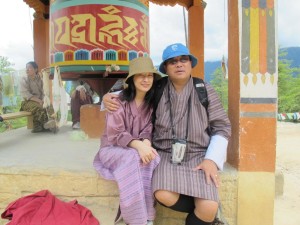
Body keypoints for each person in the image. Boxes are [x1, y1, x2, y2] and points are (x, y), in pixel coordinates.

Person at [103, 43, 231, 225]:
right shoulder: (158, 88)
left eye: (183, 60)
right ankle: (203, 209)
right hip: (165, 154)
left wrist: (211, 159)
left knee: (208, 208)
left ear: (190, 63)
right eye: (172, 62)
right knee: (163, 194)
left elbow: (222, 127)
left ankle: (208, 210)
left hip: (199, 155)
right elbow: (133, 93)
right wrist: (106, 98)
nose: (179, 64)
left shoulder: (204, 89)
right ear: (166, 68)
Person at [93, 57, 161, 225]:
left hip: (135, 149)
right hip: (112, 149)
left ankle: (148, 215)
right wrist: (138, 145)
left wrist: (145, 143)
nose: (146, 80)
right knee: (132, 158)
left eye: (149, 76)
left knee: (152, 157)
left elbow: (147, 129)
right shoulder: (117, 101)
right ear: (132, 79)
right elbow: (115, 133)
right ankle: (135, 218)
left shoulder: (150, 104)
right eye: (140, 76)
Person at [20, 61, 57, 133]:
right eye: (26, 68)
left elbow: (44, 92)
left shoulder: (40, 79)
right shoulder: (24, 79)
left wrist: (44, 100)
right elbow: (26, 94)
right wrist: (39, 101)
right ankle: (46, 124)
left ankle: (50, 123)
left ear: (36, 69)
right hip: (27, 102)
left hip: (40, 100)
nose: (27, 69)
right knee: (39, 107)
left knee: (49, 105)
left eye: (29, 68)